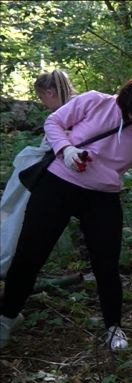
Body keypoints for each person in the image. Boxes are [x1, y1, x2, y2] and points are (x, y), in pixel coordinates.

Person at [0, 73, 132, 351]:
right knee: (30, 255)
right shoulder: (95, 102)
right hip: (57, 185)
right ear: (127, 99)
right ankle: (6, 319)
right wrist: (67, 149)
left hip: (102, 197)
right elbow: (54, 122)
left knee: (106, 264)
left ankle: (114, 327)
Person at [1, 70, 78, 279]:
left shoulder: (72, 109)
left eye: (41, 97)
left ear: (49, 92)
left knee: (18, 211)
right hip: (60, 173)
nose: (42, 102)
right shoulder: (76, 106)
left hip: (60, 177)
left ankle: (13, 263)